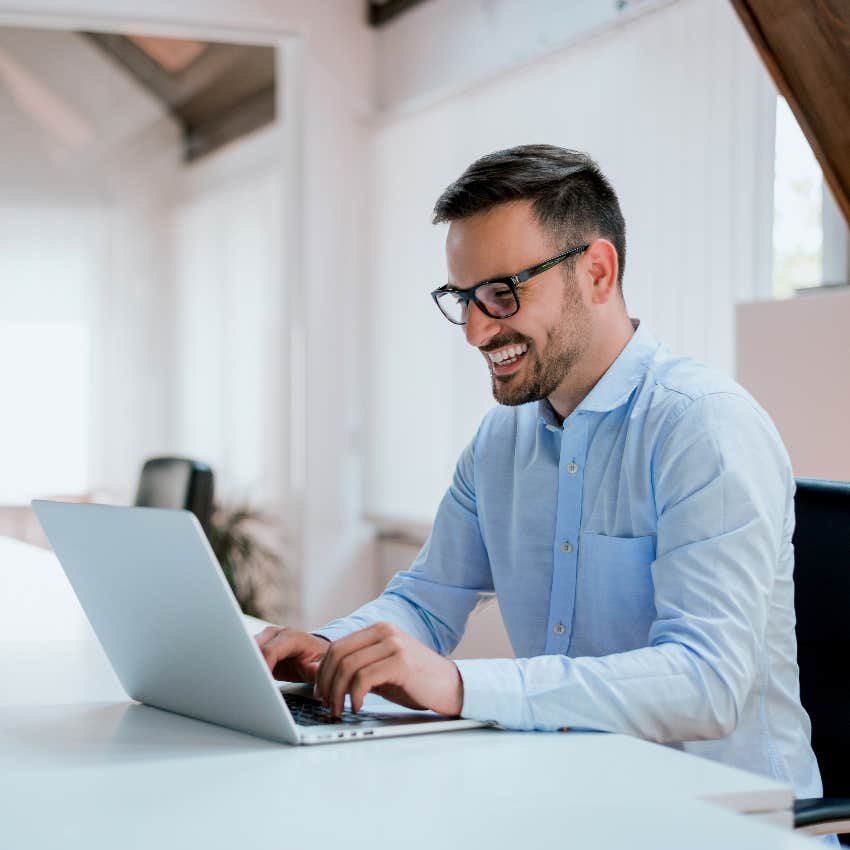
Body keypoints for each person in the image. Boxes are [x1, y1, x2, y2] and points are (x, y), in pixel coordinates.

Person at [256, 144, 822, 798]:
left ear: (598, 273)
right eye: (462, 298)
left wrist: (461, 685)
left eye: (501, 294)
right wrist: (327, 649)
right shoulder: (502, 440)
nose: (474, 332)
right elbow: (426, 601)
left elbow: (706, 683)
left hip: (723, 825)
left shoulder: (704, 428)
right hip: (569, 801)